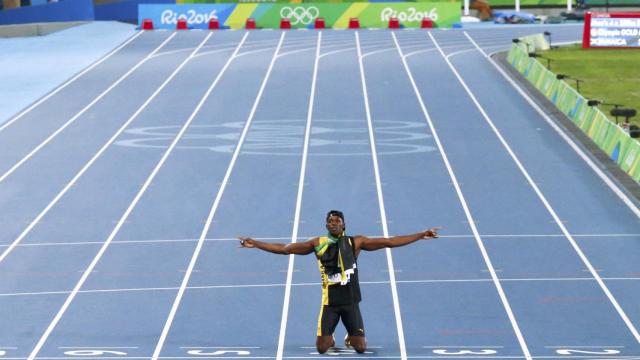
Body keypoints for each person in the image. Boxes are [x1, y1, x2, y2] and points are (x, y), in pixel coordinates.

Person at [238, 210, 441, 354]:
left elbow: (389, 242)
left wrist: (421, 235)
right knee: (322, 349)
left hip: (351, 302)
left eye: (337, 220)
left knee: (361, 348)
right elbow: (285, 248)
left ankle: (350, 338)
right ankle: (333, 336)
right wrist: (255, 243)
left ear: (344, 224)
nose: (334, 223)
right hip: (330, 303)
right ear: (326, 224)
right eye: (330, 221)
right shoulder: (317, 243)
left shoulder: (356, 242)